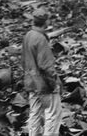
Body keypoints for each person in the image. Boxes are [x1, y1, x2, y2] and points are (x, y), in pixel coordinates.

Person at [22, 8, 62, 136]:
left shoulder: (28, 35)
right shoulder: (40, 39)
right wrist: (55, 82)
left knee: (35, 114)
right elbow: (45, 66)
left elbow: (24, 61)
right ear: (45, 22)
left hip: (31, 82)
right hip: (44, 84)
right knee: (53, 114)